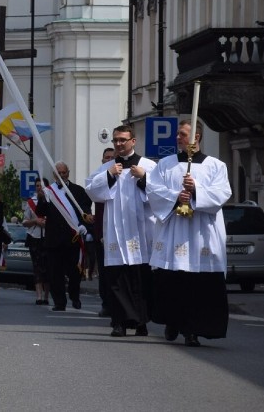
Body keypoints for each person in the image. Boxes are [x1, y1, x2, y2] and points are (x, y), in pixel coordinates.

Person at [146, 120, 232, 347]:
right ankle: (172, 322)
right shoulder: (165, 165)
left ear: (197, 138)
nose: (177, 138)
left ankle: (192, 330)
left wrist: (196, 192)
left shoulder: (216, 166)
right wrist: (177, 196)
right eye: (178, 134)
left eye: (183, 134)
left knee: (198, 286)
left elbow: (222, 194)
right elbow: (153, 191)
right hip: (174, 231)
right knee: (174, 282)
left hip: (201, 233)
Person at [85, 125, 157, 337]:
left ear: (133, 141)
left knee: (139, 279)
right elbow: (91, 190)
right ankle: (119, 322)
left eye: (123, 140)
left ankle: (141, 322)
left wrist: (143, 178)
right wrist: (109, 175)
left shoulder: (148, 165)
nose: (118, 143)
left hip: (140, 230)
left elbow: (162, 194)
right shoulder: (107, 167)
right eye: (116, 140)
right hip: (115, 231)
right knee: (116, 279)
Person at [37, 161, 92, 312]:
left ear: (68, 172)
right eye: (58, 173)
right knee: (55, 274)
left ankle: (75, 296)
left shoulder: (79, 190)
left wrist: (84, 226)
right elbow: (41, 213)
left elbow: (85, 210)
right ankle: (59, 302)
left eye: (64, 173)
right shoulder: (48, 192)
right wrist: (41, 198)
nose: (61, 175)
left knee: (75, 273)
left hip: (73, 239)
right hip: (54, 240)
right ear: (54, 175)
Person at [93, 147, 115, 317]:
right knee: (104, 271)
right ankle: (106, 303)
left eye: (111, 157)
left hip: (119, 233)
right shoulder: (99, 178)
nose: (109, 160)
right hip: (102, 233)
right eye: (106, 157)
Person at [21, 177, 49, 305]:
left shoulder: (52, 201)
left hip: (48, 237)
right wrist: (35, 221)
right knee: (37, 267)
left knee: (47, 268)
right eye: (37, 185)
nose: (39, 188)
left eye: (42, 185)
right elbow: (25, 222)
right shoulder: (31, 202)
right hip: (34, 237)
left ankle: (47, 296)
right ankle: (39, 295)